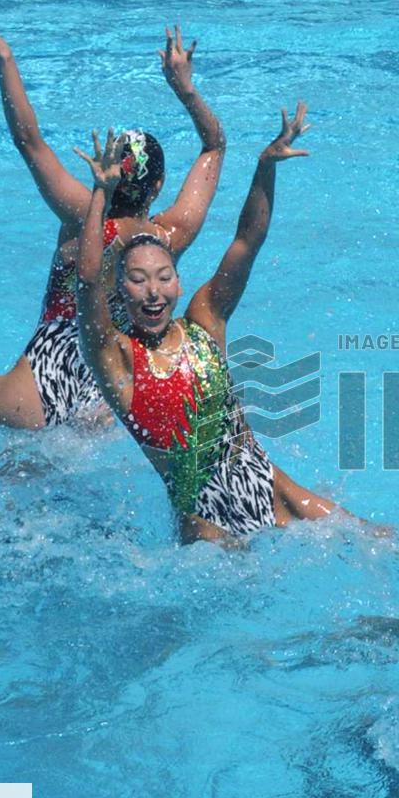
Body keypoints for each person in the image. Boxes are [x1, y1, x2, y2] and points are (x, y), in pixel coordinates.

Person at [0, 7, 224, 429]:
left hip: (37, 383)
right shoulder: (169, 236)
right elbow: (215, 146)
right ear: (157, 186)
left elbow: (29, 141)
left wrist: (5, 57)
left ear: (106, 172)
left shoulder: (84, 217)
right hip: (105, 390)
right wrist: (185, 89)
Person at [73, 110, 352, 544]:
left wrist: (265, 167)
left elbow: (247, 241)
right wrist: (100, 194)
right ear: (121, 290)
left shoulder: (204, 321)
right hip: (205, 521)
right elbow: (88, 281)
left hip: (267, 485)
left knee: (377, 539)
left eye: (164, 277)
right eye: (138, 280)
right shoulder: (118, 358)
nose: (153, 292)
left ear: (179, 283)